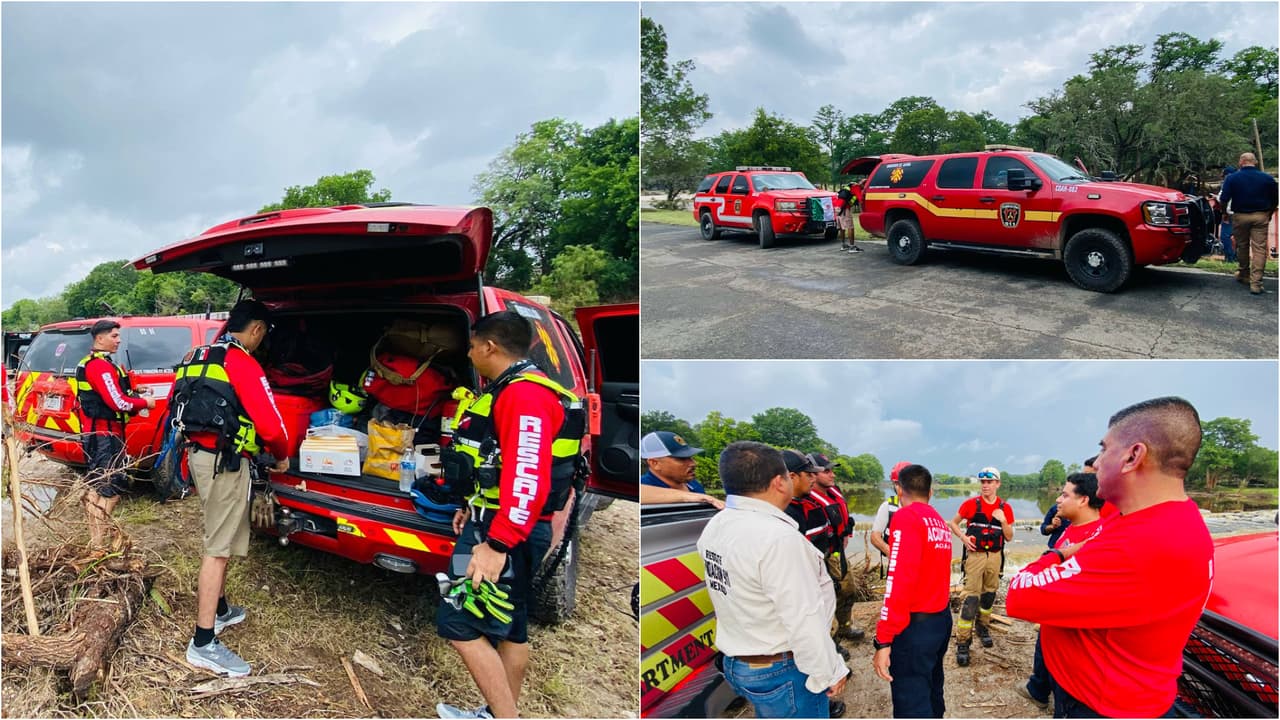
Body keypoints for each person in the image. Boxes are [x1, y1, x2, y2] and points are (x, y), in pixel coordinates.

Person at [1006, 397, 1213, 718]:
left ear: (1133, 456)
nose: (1097, 462)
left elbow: (1020, 596)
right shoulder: (1162, 517)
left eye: (1104, 449)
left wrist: (1056, 553)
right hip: (1118, 689)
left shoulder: (1141, 543)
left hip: (1098, 703)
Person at [435, 310, 586, 719]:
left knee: (456, 622)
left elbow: (527, 477)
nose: (469, 353)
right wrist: (474, 506)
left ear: (489, 347)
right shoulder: (515, 388)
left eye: (471, 346)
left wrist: (496, 543)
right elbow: (502, 462)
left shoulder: (524, 395)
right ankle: (495, 712)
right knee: (512, 627)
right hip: (498, 522)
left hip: (505, 534)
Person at [176, 300, 289, 677]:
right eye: (263, 334)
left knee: (216, 530)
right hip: (225, 463)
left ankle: (221, 610)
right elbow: (271, 426)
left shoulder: (199, 354)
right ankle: (203, 641)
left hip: (198, 457)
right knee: (218, 548)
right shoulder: (241, 361)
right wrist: (282, 455)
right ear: (256, 329)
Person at [697, 441, 849, 718]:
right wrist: (830, 671)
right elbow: (804, 617)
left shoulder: (718, 525)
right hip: (781, 668)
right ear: (780, 482)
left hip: (741, 661)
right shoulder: (778, 539)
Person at [1018, 472, 1107, 712]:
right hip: (1054, 633)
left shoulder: (1101, 537)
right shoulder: (1071, 529)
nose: (1058, 499)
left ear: (1083, 500)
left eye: (1065, 494)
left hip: (1075, 653)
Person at [871, 464, 952, 719]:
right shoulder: (937, 520)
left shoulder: (906, 518)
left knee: (911, 702)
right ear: (930, 492)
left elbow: (899, 581)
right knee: (931, 687)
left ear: (898, 489)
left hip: (916, 626)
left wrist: (883, 639)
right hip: (940, 619)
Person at [74, 319, 156, 547]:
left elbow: (113, 391)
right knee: (112, 487)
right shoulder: (99, 366)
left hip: (99, 435)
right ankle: (99, 544)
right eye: (114, 336)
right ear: (99, 338)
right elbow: (117, 401)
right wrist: (144, 402)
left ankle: (96, 542)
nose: (118, 340)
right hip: (104, 436)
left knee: (98, 484)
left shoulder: (97, 363)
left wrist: (135, 389)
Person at [947, 466, 1014, 666]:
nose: (985, 486)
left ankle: (983, 627)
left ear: (997, 484)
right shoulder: (970, 504)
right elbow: (953, 523)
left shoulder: (1005, 508)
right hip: (975, 557)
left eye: (990, 482)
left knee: (989, 595)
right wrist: (963, 538)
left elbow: (1009, 537)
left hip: (994, 557)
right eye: (983, 482)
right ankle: (963, 641)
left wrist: (1003, 521)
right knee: (970, 598)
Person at [809, 452, 864, 645]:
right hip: (818, 557)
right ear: (812, 474)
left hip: (837, 551)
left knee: (848, 590)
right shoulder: (806, 500)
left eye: (832, 470)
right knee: (826, 598)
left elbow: (842, 520)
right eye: (826, 471)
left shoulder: (834, 492)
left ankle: (845, 627)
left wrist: (846, 532)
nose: (832, 475)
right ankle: (831, 642)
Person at [1219, 152, 1279, 295]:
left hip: (1240, 216)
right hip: (1261, 216)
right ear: (1255, 162)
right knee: (1259, 249)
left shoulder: (1232, 178)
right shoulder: (1268, 179)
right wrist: (1268, 214)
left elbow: (1224, 199)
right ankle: (1256, 283)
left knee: (1242, 245)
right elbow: (1275, 200)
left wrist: (1224, 213)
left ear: (1241, 162)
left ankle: (1243, 274)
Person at [638, 430, 723, 509]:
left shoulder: (693, 485)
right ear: (654, 463)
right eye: (681, 458)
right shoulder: (645, 484)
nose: (693, 463)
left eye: (690, 457)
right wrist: (688, 497)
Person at [870, 461, 913, 560]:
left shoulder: (924, 507)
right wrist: (891, 552)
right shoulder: (888, 507)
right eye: (897, 484)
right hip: (896, 562)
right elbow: (875, 537)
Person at [836, 183, 862, 253]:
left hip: (837, 207)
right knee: (850, 227)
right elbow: (860, 199)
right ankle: (852, 247)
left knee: (842, 227)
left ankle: (843, 245)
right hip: (844, 209)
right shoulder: (857, 187)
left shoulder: (850, 186)